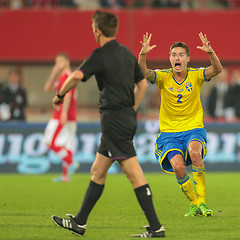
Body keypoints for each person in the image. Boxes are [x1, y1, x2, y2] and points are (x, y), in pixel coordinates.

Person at [51, 10, 165, 238]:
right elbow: (142, 85)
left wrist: (59, 95)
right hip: (122, 118)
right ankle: (80, 223)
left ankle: (156, 228)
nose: (93, 30)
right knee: (97, 170)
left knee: (134, 174)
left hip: (114, 120)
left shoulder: (99, 55)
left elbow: (74, 77)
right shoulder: (126, 54)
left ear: (98, 30)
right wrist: (130, 109)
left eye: (93, 27)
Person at [138, 32, 222, 217]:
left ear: (188, 59)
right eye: (174, 55)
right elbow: (143, 72)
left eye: (181, 55)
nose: (177, 58)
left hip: (193, 128)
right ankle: (194, 203)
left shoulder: (196, 75)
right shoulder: (162, 77)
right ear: (169, 59)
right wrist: (143, 54)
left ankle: (202, 202)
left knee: (194, 153)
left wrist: (210, 52)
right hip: (169, 133)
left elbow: (217, 69)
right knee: (178, 167)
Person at [43, 52, 78, 182]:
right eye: (56, 62)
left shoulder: (68, 76)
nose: (58, 65)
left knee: (51, 142)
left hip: (63, 116)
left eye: (60, 62)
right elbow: (47, 88)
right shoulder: (61, 77)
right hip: (63, 115)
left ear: (67, 62)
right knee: (63, 145)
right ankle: (65, 175)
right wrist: (53, 73)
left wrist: (63, 112)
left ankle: (70, 162)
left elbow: (68, 94)